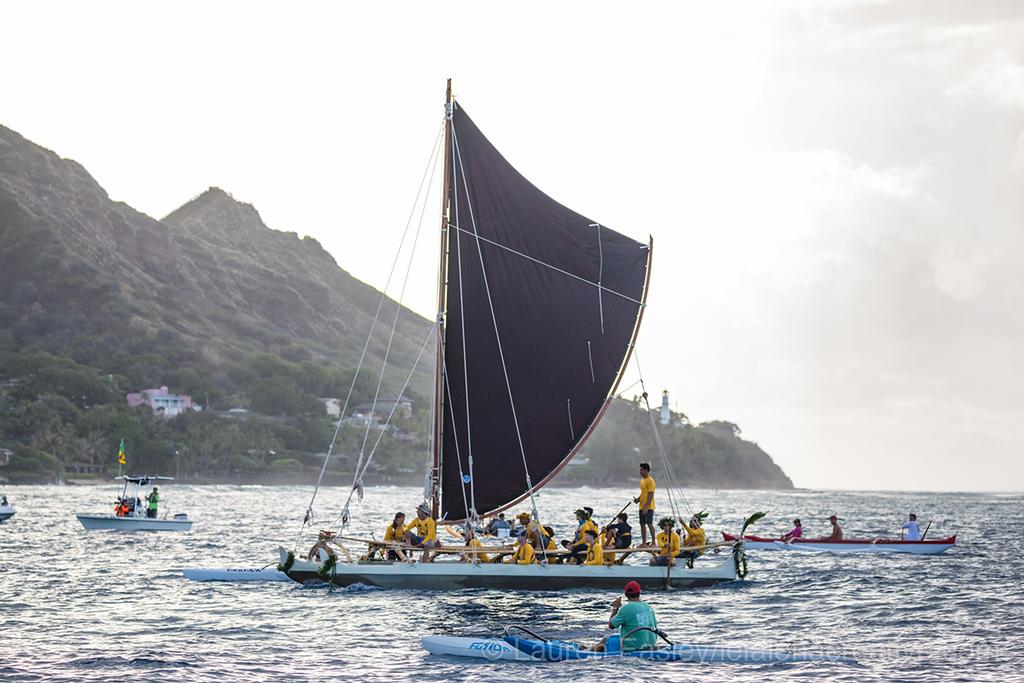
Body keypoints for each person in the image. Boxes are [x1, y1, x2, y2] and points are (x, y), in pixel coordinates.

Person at [592, 581, 658, 653]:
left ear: (626, 594)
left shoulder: (626, 608)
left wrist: (615, 608)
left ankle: (591, 651)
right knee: (615, 637)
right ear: (639, 593)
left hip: (634, 649)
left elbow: (611, 626)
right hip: (650, 646)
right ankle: (592, 649)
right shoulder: (648, 606)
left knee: (607, 638)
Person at [634, 462, 656, 546]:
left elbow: (651, 494)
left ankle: (653, 542)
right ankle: (644, 543)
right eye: (640, 470)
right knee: (642, 524)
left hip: (649, 507)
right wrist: (638, 500)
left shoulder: (650, 480)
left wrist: (646, 507)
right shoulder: (642, 480)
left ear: (646, 470)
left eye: (641, 470)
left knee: (649, 523)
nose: (640, 471)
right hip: (641, 506)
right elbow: (643, 493)